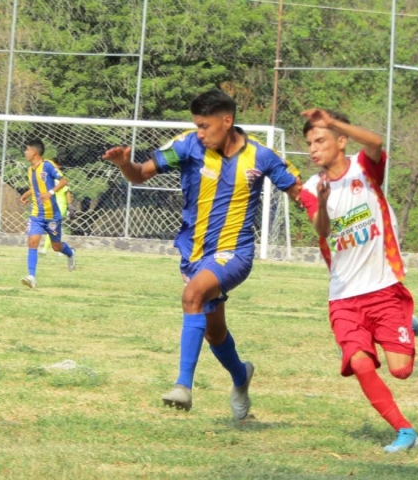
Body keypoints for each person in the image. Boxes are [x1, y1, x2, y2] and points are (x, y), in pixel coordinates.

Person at [103, 90, 302, 419]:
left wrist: (328, 204)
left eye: (205, 126)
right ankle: (241, 378)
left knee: (192, 295)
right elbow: (140, 174)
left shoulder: (262, 156)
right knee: (214, 331)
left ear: (227, 121)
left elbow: (298, 192)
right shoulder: (187, 145)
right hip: (194, 254)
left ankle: (183, 386)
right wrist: (125, 164)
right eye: (196, 125)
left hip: (235, 252)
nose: (200, 132)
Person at [299, 108, 418, 452]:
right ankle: (404, 430)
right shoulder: (311, 188)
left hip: (383, 288)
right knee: (359, 361)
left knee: (400, 371)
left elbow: (377, 142)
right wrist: (322, 203)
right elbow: (322, 231)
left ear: (341, 140)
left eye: (320, 139)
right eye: (309, 142)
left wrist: (333, 121)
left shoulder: (364, 169)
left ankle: (406, 324)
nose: (312, 148)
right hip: (343, 295)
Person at [19, 139, 76, 288]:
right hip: (37, 214)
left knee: (56, 246)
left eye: (27, 149)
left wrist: (50, 193)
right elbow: (36, 188)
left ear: (34, 152)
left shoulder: (48, 165)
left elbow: (64, 181)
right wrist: (26, 195)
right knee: (32, 242)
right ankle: (31, 276)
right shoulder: (30, 170)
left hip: (52, 215)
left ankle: (70, 254)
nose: (25, 152)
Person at [40, 159, 74, 255]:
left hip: (61, 205)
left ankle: (45, 249)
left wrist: (70, 205)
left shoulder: (61, 178)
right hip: (52, 205)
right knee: (53, 227)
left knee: (52, 226)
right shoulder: (49, 177)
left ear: (59, 166)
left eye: (54, 165)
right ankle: (61, 248)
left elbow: (67, 192)